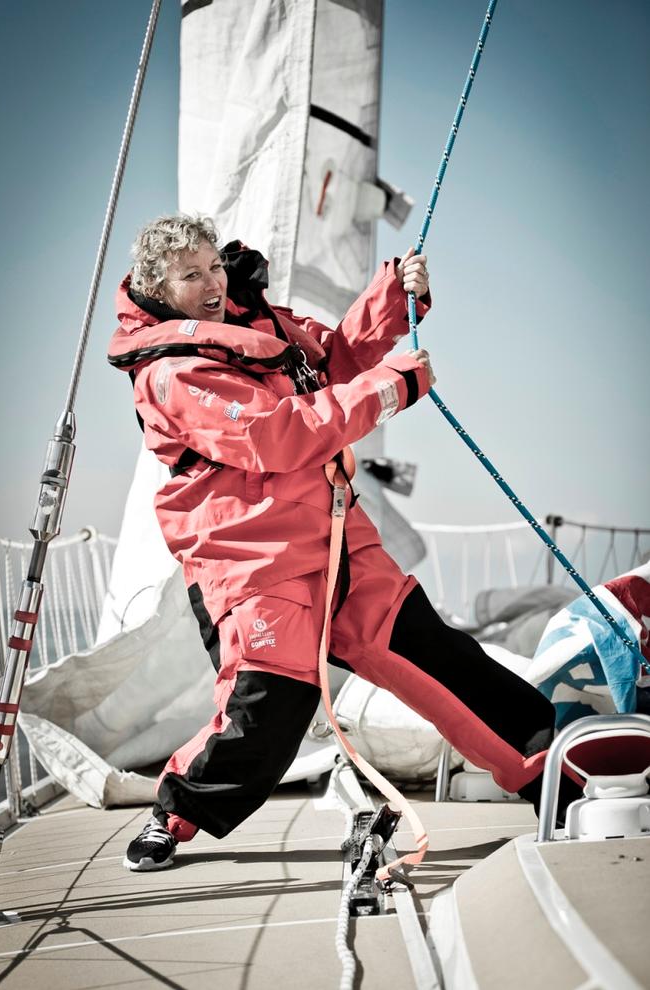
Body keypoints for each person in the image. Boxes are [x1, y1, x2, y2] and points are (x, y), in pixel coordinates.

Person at [109, 214, 575, 871]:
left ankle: (558, 776)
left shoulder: (256, 324)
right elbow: (276, 434)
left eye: (214, 266)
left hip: (334, 532)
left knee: (433, 652)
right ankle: (175, 813)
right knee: (270, 704)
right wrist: (392, 388)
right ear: (159, 288)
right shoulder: (170, 373)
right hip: (250, 560)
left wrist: (394, 296)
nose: (213, 282)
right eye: (192, 275)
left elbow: (330, 361)